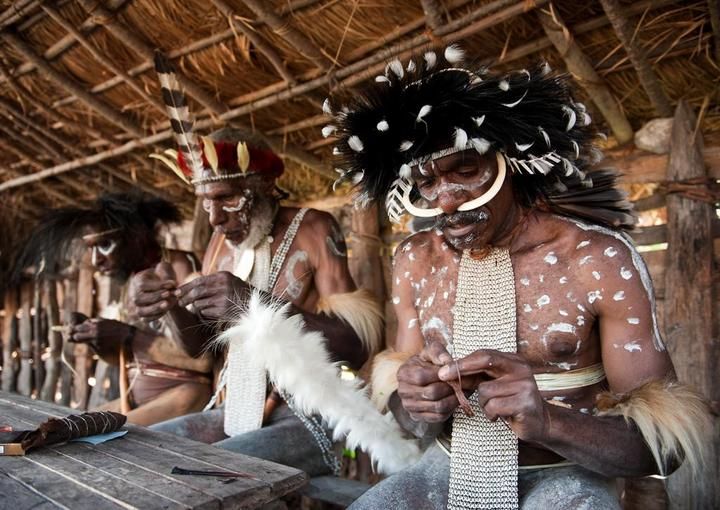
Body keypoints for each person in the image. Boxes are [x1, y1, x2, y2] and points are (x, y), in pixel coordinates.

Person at [322, 45, 711, 508]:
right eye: (427, 183)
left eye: (466, 169)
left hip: (568, 479)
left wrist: (550, 421)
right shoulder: (415, 260)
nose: (446, 200)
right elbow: (405, 416)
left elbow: (665, 450)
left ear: (511, 163)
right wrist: (415, 403)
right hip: (445, 468)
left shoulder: (597, 259)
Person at [130, 53, 383, 477]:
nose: (215, 218)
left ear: (263, 185)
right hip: (230, 411)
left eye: (228, 198)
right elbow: (200, 347)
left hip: (307, 416)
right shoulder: (218, 243)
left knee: (205, 473)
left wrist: (253, 303)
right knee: (145, 456)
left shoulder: (314, 229)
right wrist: (168, 308)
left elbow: (357, 346)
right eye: (206, 202)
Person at [11, 192, 211, 426]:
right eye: (91, 249)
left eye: (105, 245)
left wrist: (128, 335)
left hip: (185, 398)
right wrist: (96, 335)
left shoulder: (180, 267)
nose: (96, 260)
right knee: (65, 426)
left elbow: (203, 361)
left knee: (87, 435)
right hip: (137, 397)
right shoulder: (131, 281)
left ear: (136, 237)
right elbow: (130, 356)